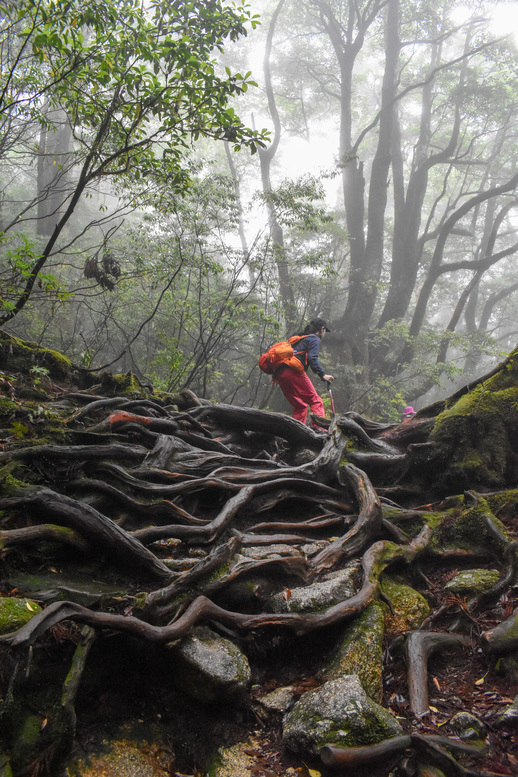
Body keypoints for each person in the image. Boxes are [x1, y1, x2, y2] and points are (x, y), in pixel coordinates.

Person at [274, 318, 334, 429]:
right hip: (293, 371)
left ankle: (294, 433)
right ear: (322, 329)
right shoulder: (314, 339)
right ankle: (319, 431)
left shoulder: (298, 339)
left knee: (300, 406)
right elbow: (312, 358)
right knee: (316, 402)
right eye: (325, 330)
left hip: (279, 374)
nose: (325, 333)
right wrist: (322, 375)